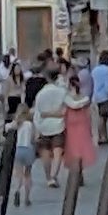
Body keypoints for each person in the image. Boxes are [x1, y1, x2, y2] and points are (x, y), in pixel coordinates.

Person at [30, 60, 70, 190]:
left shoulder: (41, 94)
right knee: (58, 151)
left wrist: (37, 128)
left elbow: (38, 113)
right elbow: (66, 108)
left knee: (45, 153)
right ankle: (54, 175)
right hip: (58, 125)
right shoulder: (62, 92)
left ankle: (48, 177)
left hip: (44, 126)